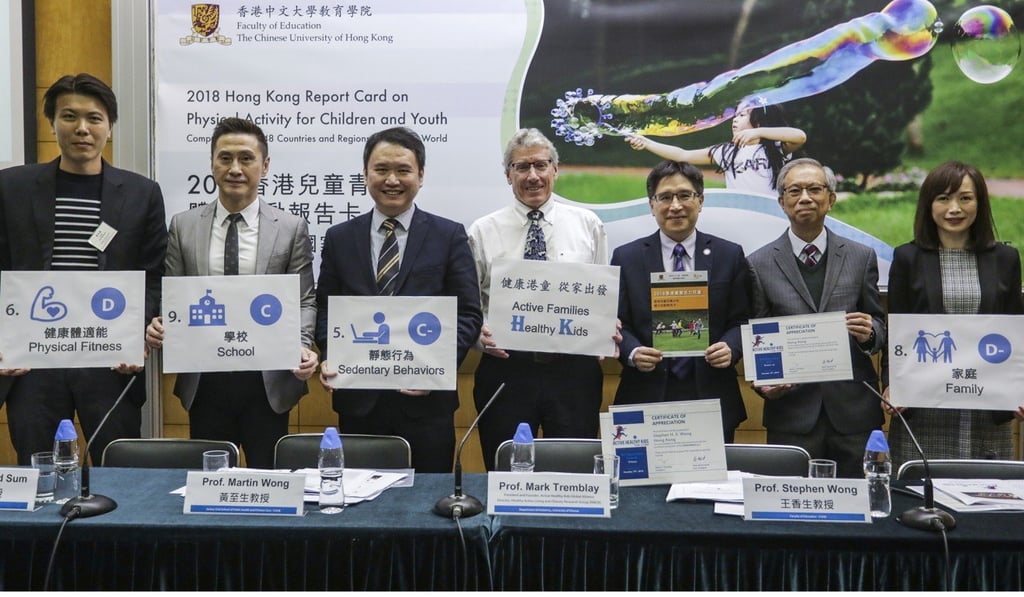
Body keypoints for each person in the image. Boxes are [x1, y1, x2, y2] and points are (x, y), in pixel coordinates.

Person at [0, 73, 168, 465]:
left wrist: (136, 333)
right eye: (69, 116)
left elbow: (153, 274)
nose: (82, 128)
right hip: (33, 363)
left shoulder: (142, 193)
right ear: (52, 123)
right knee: (38, 470)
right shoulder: (11, 188)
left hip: (110, 361)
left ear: (109, 126)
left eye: (94, 118)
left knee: (118, 471)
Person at [145, 117, 318, 469]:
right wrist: (164, 325)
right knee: (211, 486)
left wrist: (301, 343)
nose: (235, 168)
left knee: (270, 484)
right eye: (225, 158)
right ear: (212, 164)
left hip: (268, 381)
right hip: (206, 378)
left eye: (246, 158)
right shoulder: (183, 225)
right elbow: (173, 293)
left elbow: (304, 298)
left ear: (265, 165)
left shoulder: (290, 228)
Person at [315, 126, 482, 473]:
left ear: (420, 176)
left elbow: (468, 313)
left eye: (403, 170)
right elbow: (326, 310)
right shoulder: (339, 238)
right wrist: (332, 356)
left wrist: (434, 368)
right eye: (381, 169)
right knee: (361, 505)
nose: (392, 179)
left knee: (426, 507)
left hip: (427, 404)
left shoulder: (449, 235)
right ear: (365, 174)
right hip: (360, 401)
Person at [468, 128, 610, 471]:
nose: (533, 176)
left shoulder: (588, 224)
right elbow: (468, 307)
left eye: (541, 165)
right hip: (506, 370)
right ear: (508, 175)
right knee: (506, 471)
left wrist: (604, 326)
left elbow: (602, 295)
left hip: (573, 372)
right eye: (522, 167)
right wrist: (478, 336)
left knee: (576, 472)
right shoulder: (481, 231)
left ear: (555, 170)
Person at [747, 157, 885, 477]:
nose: (805, 197)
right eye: (794, 191)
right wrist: (764, 384)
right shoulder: (758, 263)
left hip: (853, 414)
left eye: (814, 189)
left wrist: (870, 334)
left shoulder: (861, 256)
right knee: (789, 513)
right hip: (792, 414)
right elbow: (756, 336)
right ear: (782, 202)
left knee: (857, 509)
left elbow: (879, 326)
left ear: (831, 199)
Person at [883, 161, 1024, 467]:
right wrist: (892, 384)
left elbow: (1015, 329)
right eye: (943, 198)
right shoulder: (907, 257)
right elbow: (897, 330)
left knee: (986, 503)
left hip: (988, 407)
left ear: (980, 203)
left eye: (965, 198)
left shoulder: (1006, 259)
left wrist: (1019, 386)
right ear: (929, 204)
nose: (955, 208)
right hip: (923, 409)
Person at [612, 160, 751, 441]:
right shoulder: (626, 257)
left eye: (684, 195)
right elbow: (617, 323)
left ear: (700, 201)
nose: (675, 206)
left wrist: (731, 347)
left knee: (710, 485)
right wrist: (633, 352)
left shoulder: (729, 254)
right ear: (652, 205)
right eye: (665, 197)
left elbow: (743, 319)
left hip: (711, 393)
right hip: (645, 393)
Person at [626, 102, 806, 195]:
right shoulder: (726, 152)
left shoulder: (775, 148)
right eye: (735, 116)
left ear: (759, 120)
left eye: (742, 115)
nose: (734, 120)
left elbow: (800, 136)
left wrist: (758, 132)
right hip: (739, 212)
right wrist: (648, 143)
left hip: (770, 211)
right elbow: (683, 155)